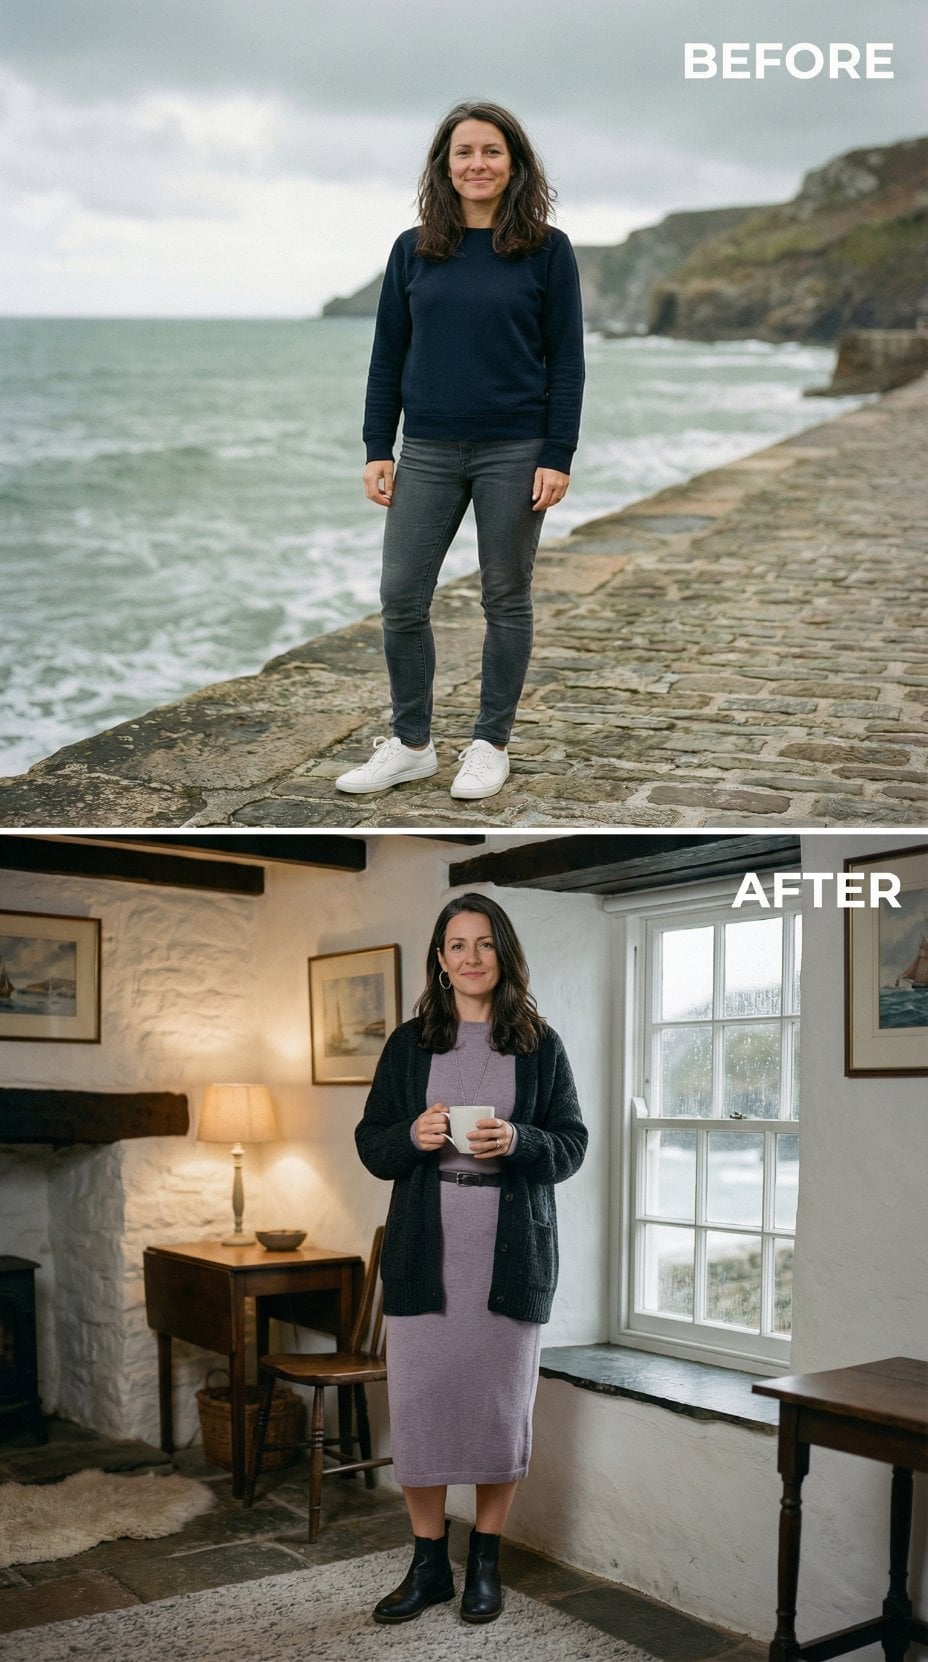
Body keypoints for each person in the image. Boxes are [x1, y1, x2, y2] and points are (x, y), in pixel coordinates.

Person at [336, 100, 585, 802]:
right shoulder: (413, 249)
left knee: (505, 597)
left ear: (515, 164)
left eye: (491, 152)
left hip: (517, 448)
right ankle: (412, 743)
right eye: (463, 153)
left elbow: (567, 361)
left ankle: (489, 742)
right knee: (401, 597)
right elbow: (389, 355)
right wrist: (375, 445)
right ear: (445, 167)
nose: (477, 164)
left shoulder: (547, 250)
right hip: (429, 450)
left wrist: (557, 453)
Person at [354, 893, 587, 1624]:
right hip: (427, 1259)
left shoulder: (540, 1044)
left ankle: (484, 1563)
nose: (470, 957)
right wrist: (413, 1136)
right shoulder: (409, 1043)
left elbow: (572, 1144)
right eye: (456, 945)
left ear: (503, 953)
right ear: (440, 958)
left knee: (496, 1415)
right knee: (420, 1414)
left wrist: (519, 1142)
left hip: (508, 1263)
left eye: (483, 944)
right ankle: (429, 1567)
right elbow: (371, 1143)